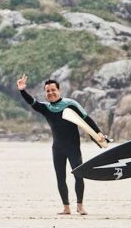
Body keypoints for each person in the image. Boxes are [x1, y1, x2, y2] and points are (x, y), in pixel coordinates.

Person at [17, 74, 105, 215]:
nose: (51, 93)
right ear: (45, 94)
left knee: (78, 175)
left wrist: (98, 133)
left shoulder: (71, 104)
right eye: (48, 91)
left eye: (53, 90)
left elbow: (86, 119)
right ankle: (66, 207)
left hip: (73, 147)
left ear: (59, 91)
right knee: (60, 177)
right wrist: (22, 90)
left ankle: (80, 206)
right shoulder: (46, 108)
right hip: (57, 148)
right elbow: (32, 102)